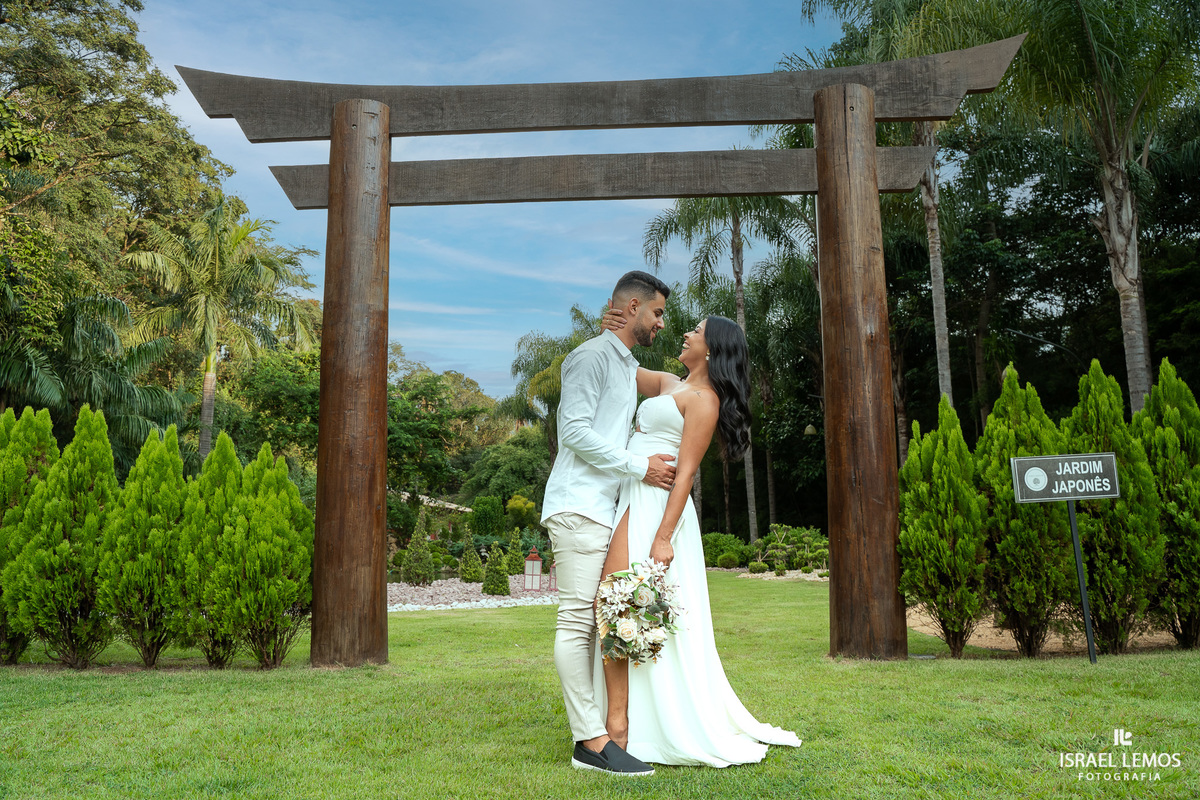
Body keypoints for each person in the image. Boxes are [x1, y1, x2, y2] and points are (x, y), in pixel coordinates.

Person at [595, 310, 803, 767]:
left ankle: (620, 726)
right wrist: (612, 327)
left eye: (697, 331)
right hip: (633, 497)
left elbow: (686, 472)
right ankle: (621, 719)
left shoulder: (704, 400)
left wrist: (664, 537)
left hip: (658, 511)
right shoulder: (671, 383)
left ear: (711, 349)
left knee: (621, 602)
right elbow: (622, 367)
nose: (686, 333)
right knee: (620, 604)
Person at [540, 270, 678, 776]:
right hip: (579, 506)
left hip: (604, 509)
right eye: (658, 313)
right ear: (635, 306)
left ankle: (604, 732)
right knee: (577, 620)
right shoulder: (591, 357)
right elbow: (573, 432)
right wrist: (639, 467)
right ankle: (591, 742)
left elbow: (678, 386)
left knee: (594, 621)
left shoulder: (623, 364)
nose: (662, 323)